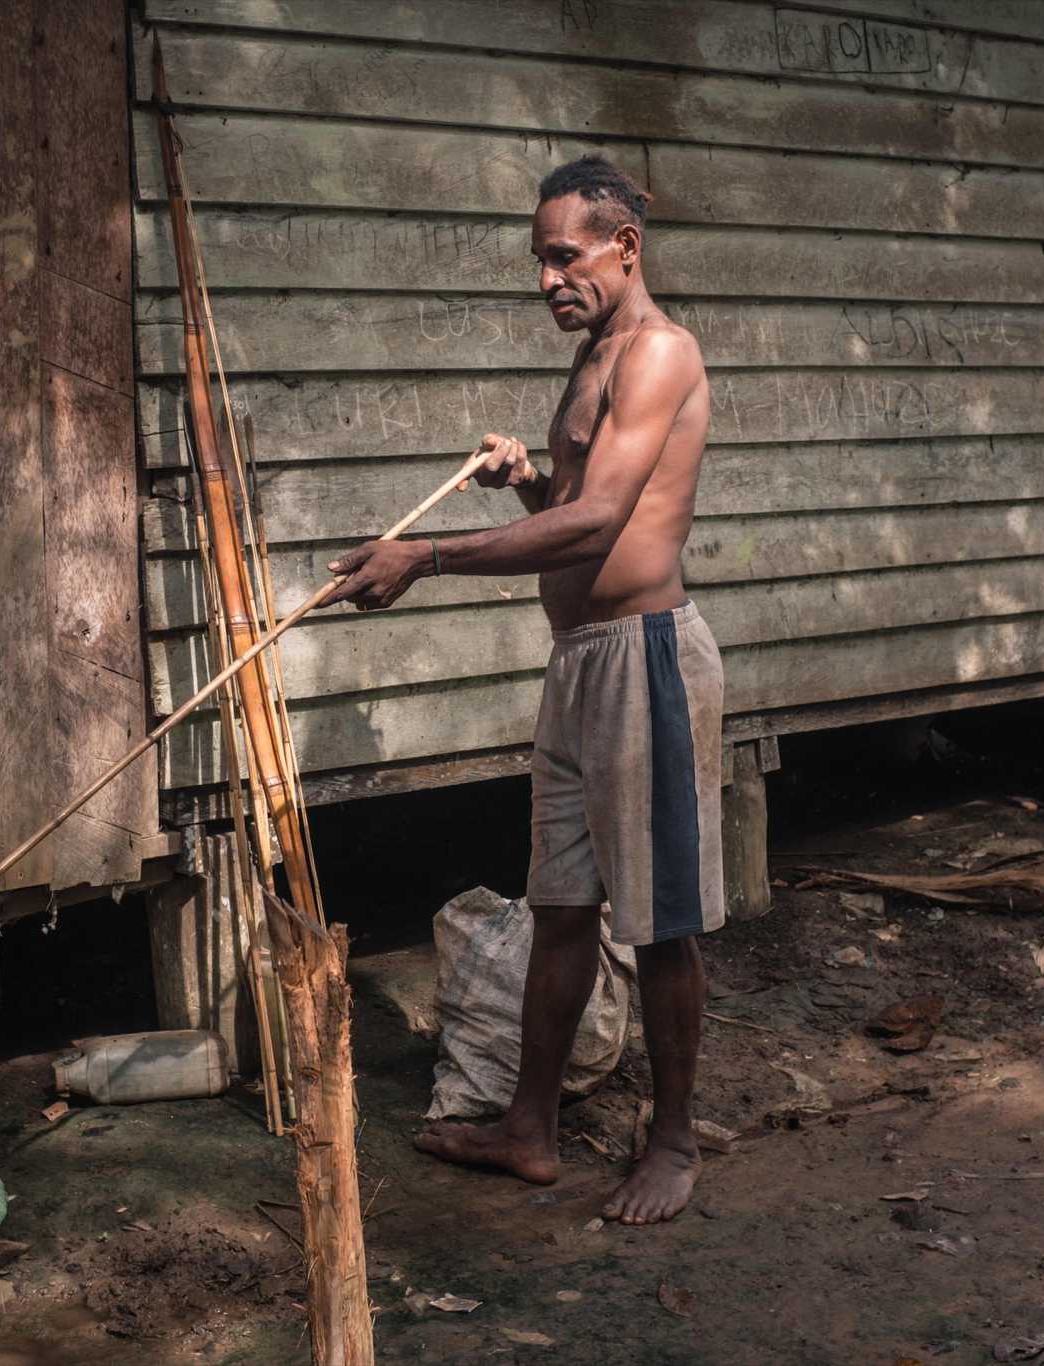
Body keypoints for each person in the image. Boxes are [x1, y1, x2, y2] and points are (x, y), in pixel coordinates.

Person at [319, 154, 722, 1225]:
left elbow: (601, 529)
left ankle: (674, 1138)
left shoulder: (659, 353)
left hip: (643, 658)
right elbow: (579, 503)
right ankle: (528, 1129)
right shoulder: (591, 357)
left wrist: (427, 557)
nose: (546, 278)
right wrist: (526, 483)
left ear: (623, 248)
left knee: (661, 920)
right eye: (537, 260)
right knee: (558, 907)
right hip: (579, 662)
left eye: (563, 255)